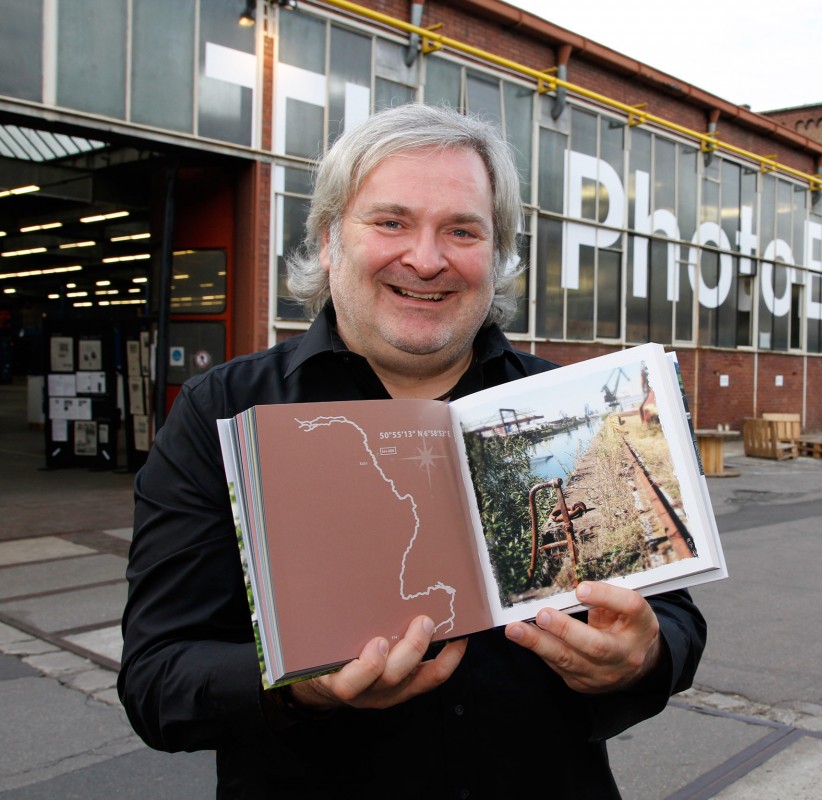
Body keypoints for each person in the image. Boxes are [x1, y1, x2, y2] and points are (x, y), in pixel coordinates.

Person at [118, 103, 706, 798]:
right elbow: (158, 678)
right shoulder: (223, 413)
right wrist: (300, 690)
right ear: (330, 238)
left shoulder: (578, 406)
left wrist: (642, 655)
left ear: (495, 253)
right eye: (391, 221)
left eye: (462, 230)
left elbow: (674, 614)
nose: (426, 260)